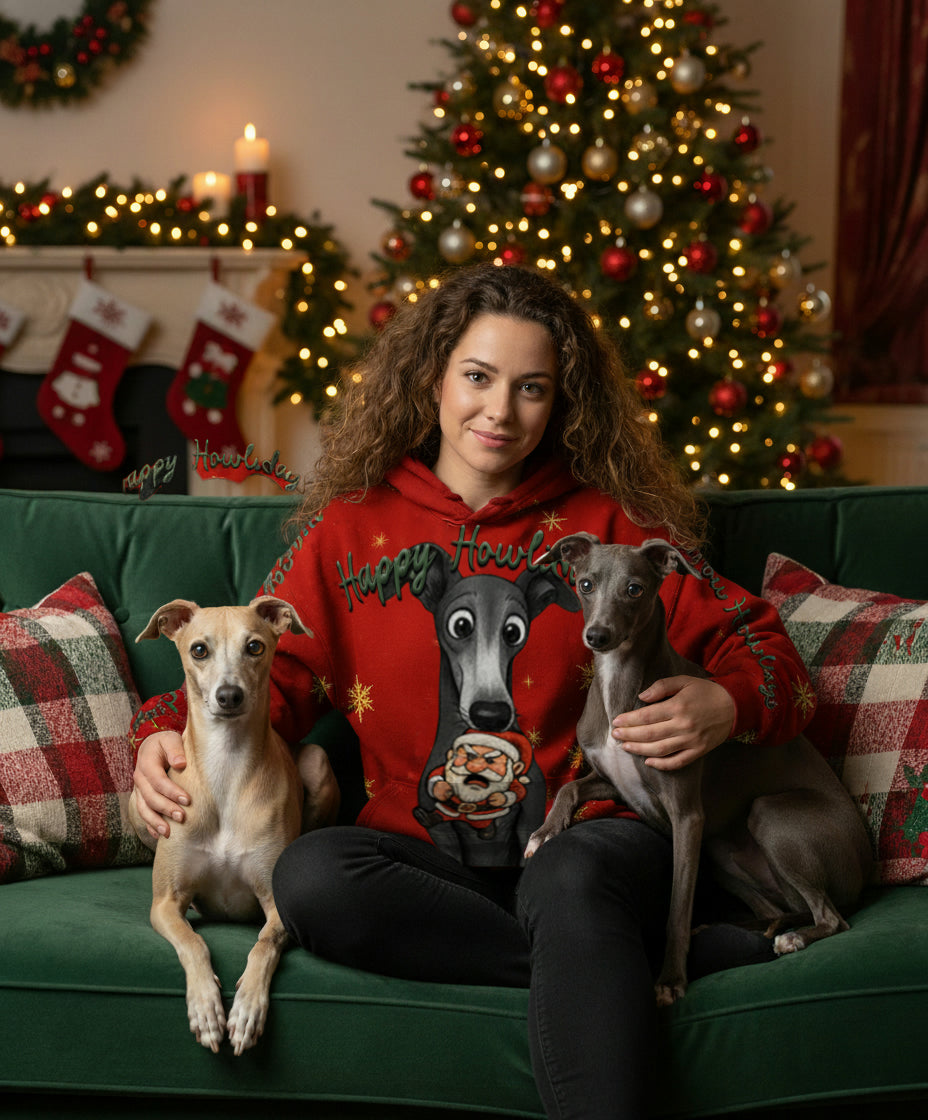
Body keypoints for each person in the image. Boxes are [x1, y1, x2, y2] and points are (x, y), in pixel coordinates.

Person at [131, 263, 815, 1120]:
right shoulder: (350, 527)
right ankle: (615, 955)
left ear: (561, 402)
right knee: (310, 875)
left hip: (585, 841)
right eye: (479, 377)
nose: (501, 411)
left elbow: (773, 658)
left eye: (532, 388)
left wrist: (728, 703)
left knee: (571, 887)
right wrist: (160, 732)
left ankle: (591, 937)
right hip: (421, 865)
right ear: (432, 379)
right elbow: (264, 673)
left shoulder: (610, 529)